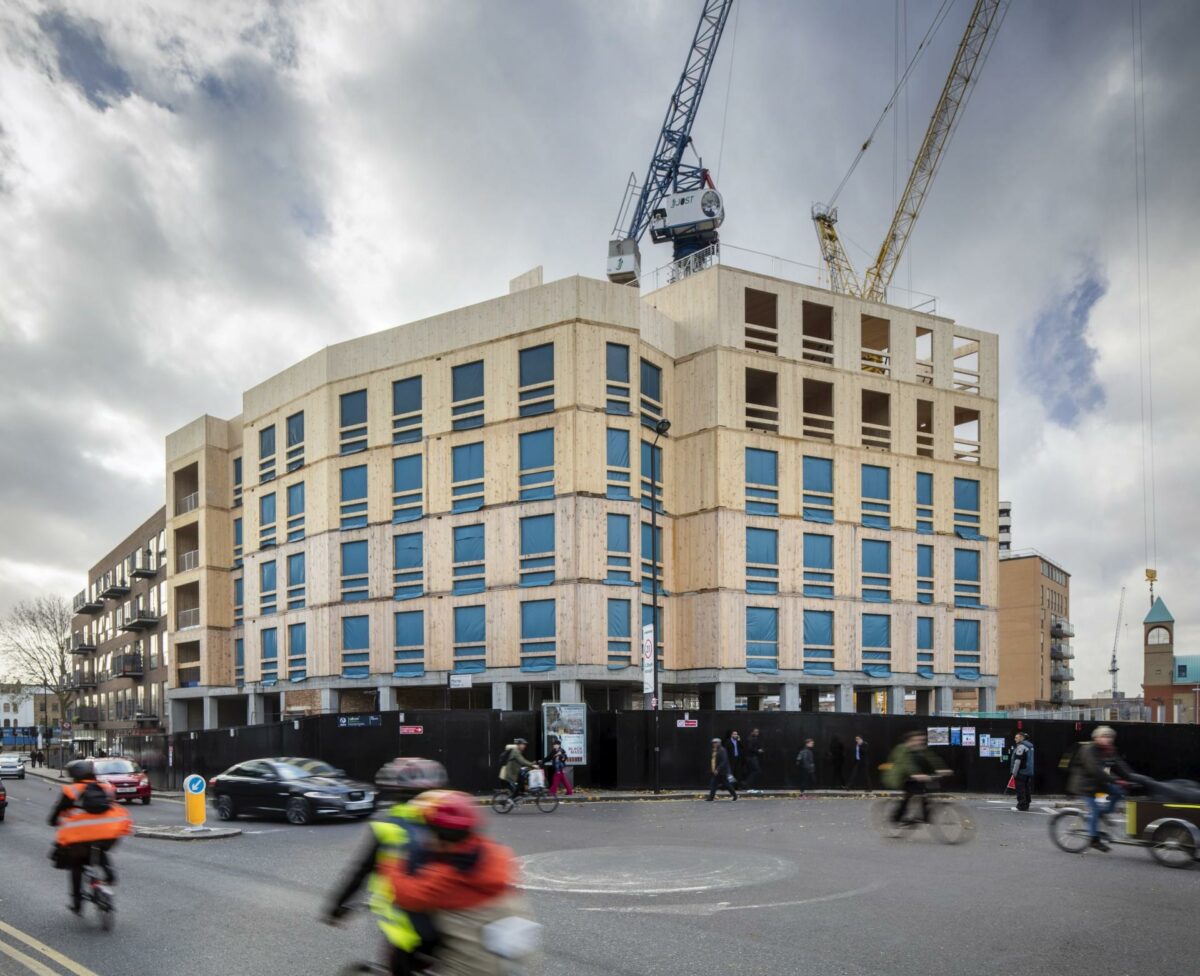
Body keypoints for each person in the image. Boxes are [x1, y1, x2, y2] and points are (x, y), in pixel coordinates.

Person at [385, 790, 542, 976]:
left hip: (473, 967)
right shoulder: (497, 855)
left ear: (439, 837)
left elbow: (406, 895)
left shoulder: (445, 878)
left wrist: (393, 863)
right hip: (515, 957)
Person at [324, 758, 449, 975]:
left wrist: (338, 906)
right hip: (447, 922)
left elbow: (361, 871)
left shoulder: (387, 827)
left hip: (404, 925)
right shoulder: (448, 824)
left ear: (394, 792)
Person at [48, 759, 133, 915]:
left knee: (76, 864)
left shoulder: (71, 791)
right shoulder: (106, 787)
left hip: (80, 838)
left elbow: (57, 812)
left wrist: (53, 821)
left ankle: (77, 902)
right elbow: (112, 804)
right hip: (108, 833)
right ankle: (109, 875)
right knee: (100, 850)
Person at [1072, 726, 1134, 852]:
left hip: (1100, 783)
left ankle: (1102, 813)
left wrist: (1133, 778)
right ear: (1096, 738)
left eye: (1110, 737)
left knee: (1120, 792)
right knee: (1094, 810)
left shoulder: (1109, 750)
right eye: (1104, 736)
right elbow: (1095, 769)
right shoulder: (1089, 749)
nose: (1108, 739)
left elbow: (1120, 766)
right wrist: (1116, 780)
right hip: (1085, 785)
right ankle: (1094, 840)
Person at [884, 731, 951, 827]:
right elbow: (905, 763)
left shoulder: (922, 749)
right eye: (917, 740)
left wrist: (942, 769)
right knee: (909, 795)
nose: (920, 742)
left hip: (917, 777)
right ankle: (897, 818)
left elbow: (933, 759)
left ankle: (925, 816)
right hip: (900, 777)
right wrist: (915, 774)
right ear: (909, 740)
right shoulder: (902, 749)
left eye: (921, 740)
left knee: (925, 792)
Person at [705, 737, 737, 802]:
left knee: (727, 784)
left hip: (722, 771)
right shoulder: (715, 750)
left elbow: (724, 761)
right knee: (713, 784)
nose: (714, 744)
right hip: (717, 771)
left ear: (719, 743)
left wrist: (718, 769)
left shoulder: (722, 750)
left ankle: (735, 795)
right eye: (713, 743)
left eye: (715, 743)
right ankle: (711, 798)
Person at [1010, 732, 1035, 812]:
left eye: (1016, 737)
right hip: (1028, 771)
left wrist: (1014, 772)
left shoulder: (1021, 746)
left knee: (1020, 788)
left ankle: (1022, 805)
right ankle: (1027, 803)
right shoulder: (1030, 746)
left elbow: (1018, 760)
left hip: (1021, 771)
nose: (1015, 739)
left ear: (1021, 738)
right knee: (1026, 787)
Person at [741, 729, 764, 793]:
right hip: (751, 757)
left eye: (758, 732)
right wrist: (758, 750)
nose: (757, 733)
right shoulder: (750, 739)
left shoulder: (753, 738)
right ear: (752, 732)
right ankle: (746, 783)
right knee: (756, 770)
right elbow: (750, 748)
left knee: (753, 771)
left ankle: (748, 784)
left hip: (751, 757)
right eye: (756, 732)